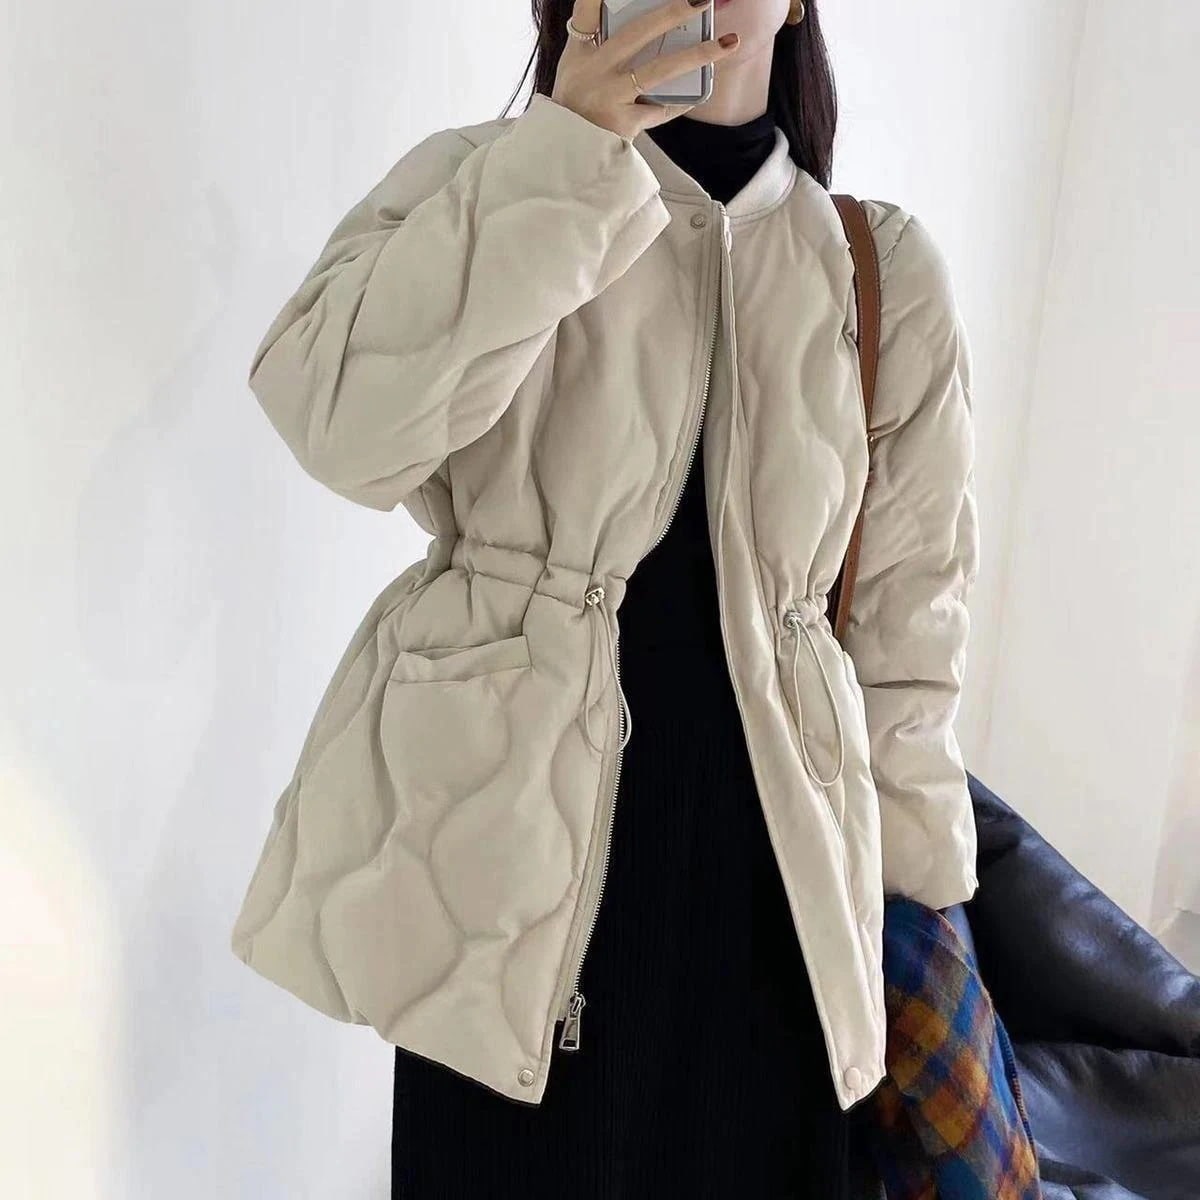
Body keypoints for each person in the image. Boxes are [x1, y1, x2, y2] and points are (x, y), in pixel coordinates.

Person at [229, 1, 982, 1196]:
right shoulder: (488, 182)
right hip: (506, 905)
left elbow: (906, 639)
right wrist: (566, 156)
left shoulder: (878, 268)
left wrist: (924, 918)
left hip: (777, 910)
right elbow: (339, 427)